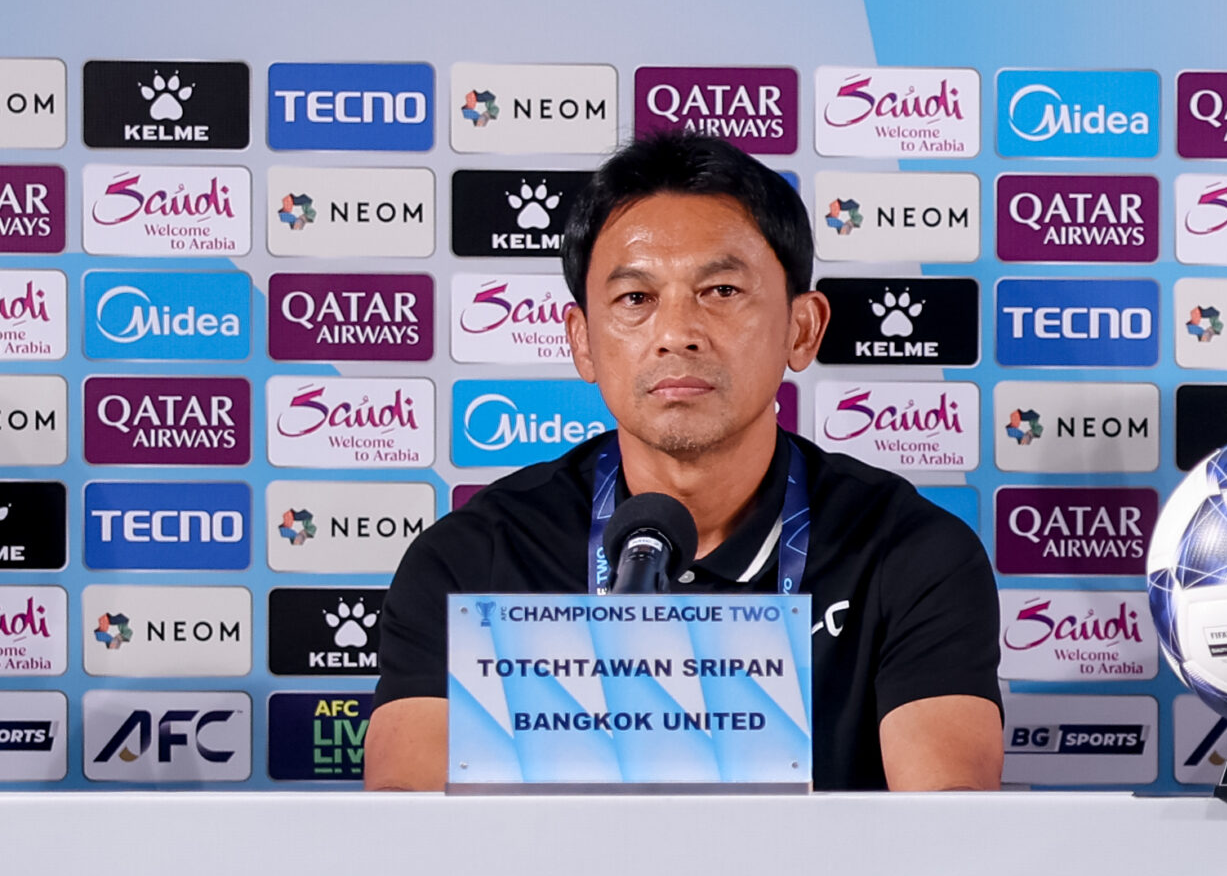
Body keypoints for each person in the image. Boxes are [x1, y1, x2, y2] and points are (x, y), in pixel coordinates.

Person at [365, 132, 1003, 792]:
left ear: (802, 329)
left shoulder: (910, 554)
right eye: (635, 299)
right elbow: (404, 833)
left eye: (721, 290)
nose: (677, 333)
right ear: (582, 342)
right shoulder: (474, 560)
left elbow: (946, 836)